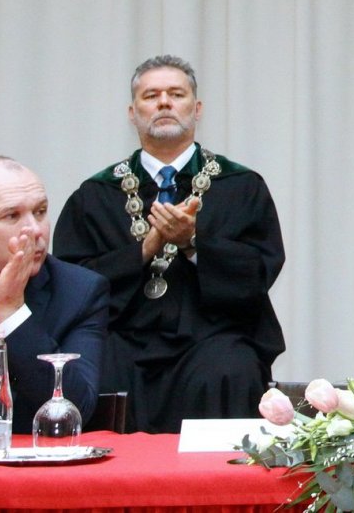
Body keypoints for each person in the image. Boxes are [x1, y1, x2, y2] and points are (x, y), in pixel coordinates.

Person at [53, 55, 285, 433]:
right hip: (122, 337)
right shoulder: (94, 195)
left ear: (197, 108)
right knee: (93, 369)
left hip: (213, 337)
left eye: (176, 94)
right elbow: (71, 284)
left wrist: (193, 242)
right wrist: (144, 250)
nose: (164, 102)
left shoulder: (241, 186)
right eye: (151, 95)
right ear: (133, 113)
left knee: (231, 367)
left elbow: (259, 273)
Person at [0, 155, 109, 433]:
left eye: (40, 211)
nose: (35, 230)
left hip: (23, 456)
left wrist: (12, 312)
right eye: (12, 215)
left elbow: (76, 407)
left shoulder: (79, 291)